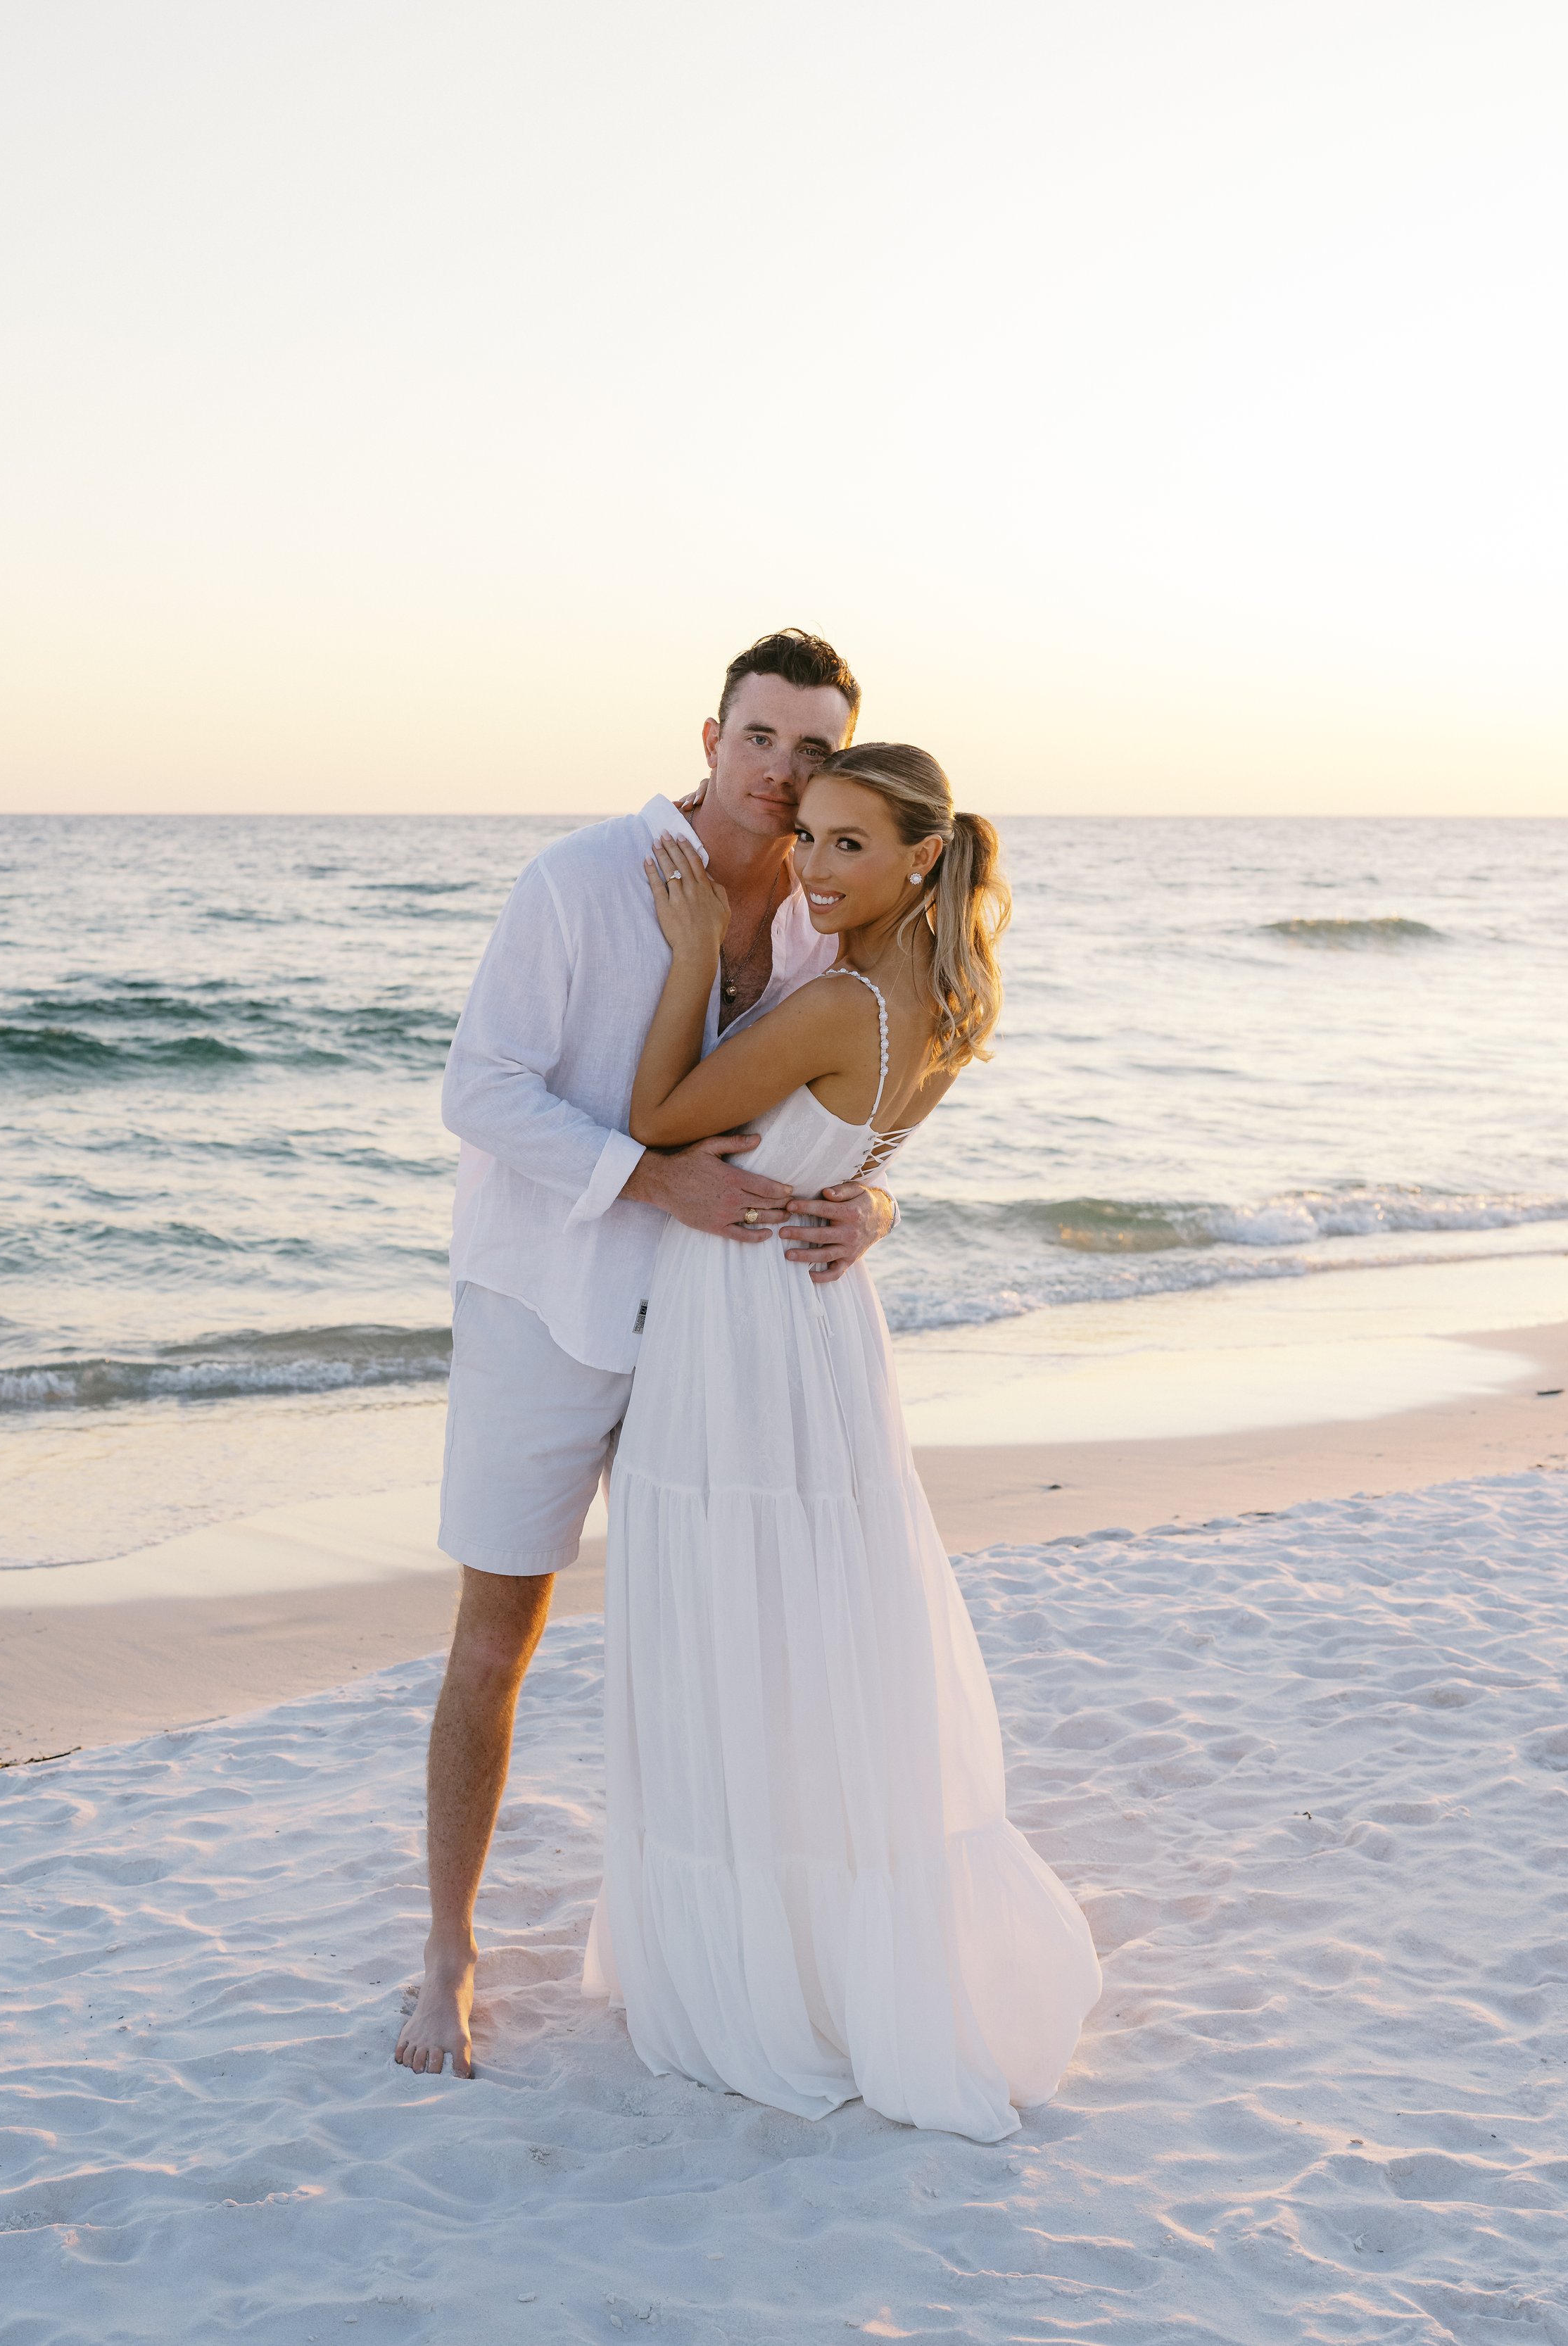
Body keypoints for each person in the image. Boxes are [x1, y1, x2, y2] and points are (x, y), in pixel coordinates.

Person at [396, 631, 899, 2079]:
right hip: (543, 1305)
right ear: (710, 736)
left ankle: (707, 1942)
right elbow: (478, 1090)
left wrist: (875, 1202)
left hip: (714, 1324)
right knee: (496, 1636)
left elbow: (867, 1091)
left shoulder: (823, 916)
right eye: (759, 738)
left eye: (812, 751)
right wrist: (646, 1175)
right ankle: (448, 1951)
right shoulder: (579, 880)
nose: (780, 773)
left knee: (716, 1638)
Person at [583, 743, 1101, 2142]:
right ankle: (815, 1941)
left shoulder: (836, 1003)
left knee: (731, 1616)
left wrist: (695, 950)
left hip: (743, 1319)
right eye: (806, 836)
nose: (811, 866)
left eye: (846, 844)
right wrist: (875, 1205)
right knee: (810, 1625)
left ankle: (765, 1968)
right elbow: (854, 1160)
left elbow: (655, 1118)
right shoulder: (946, 995)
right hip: (819, 1319)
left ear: (920, 857)